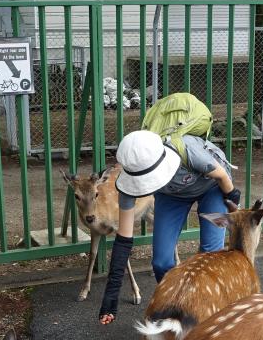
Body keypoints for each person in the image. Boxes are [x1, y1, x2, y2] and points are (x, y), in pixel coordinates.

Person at [98, 127, 239, 325]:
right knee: (161, 262)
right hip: (171, 196)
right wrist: (110, 297)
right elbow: (123, 242)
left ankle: (207, 314)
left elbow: (223, 176)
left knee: (210, 254)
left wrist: (232, 200)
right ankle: (179, 308)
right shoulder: (128, 183)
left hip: (212, 188)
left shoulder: (189, 151)